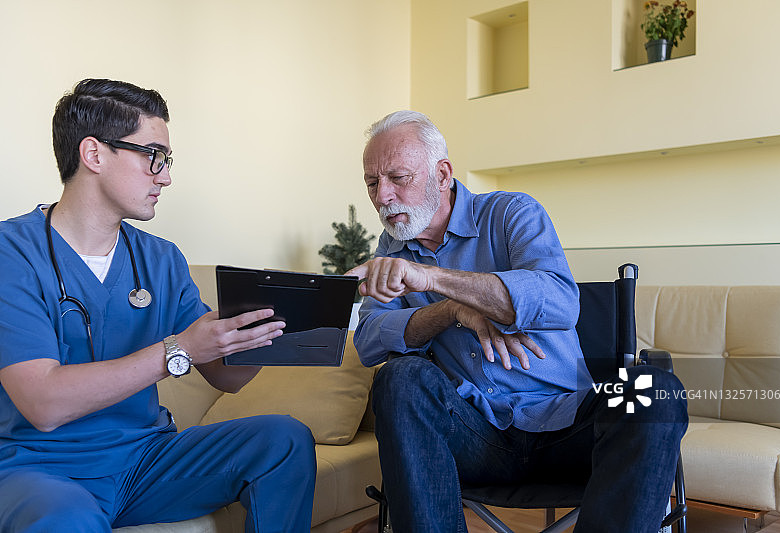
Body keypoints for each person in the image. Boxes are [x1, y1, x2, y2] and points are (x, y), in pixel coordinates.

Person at [347, 110, 688, 533]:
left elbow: (561, 303)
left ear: (443, 174)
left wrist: (434, 279)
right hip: (475, 432)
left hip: (570, 422)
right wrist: (450, 311)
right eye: (372, 183)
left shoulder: (511, 212)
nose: (383, 197)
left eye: (398, 178)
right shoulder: (391, 249)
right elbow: (368, 343)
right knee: (399, 378)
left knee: (655, 390)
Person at [0, 79, 315, 532]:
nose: (165, 176)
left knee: (283, 440)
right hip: (40, 467)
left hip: (145, 459)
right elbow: (43, 403)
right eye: (153, 156)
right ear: (94, 154)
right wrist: (177, 350)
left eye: (166, 160)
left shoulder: (160, 259)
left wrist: (277, 325)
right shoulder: (14, 254)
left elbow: (227, 376)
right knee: (66, 516)